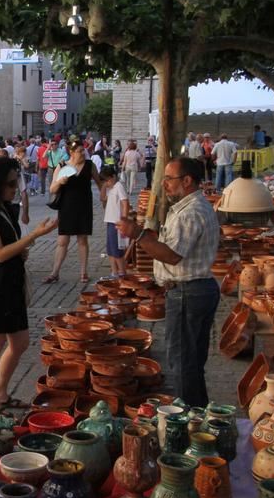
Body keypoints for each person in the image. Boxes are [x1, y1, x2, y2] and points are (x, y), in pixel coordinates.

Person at [117, 157, 220, 407]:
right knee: (189, 361)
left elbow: (172, 255)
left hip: (188, 292)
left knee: (182, 361)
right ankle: (197, 413)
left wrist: (139, 234)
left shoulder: (191, 212)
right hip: (192, 291)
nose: (164, 184)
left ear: (187, 181)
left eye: (169, 179)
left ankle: (189, 418)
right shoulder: (188, 208)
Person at [0, 157, 59, 418]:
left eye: (15, 182)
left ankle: (1, 393)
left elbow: (9, 247)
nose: (13, 188)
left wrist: (22, 250)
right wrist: (34, 236)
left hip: (10, 280)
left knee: (19, 342)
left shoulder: (1, 207)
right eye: (9, 184)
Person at [43, 141, 101, 284]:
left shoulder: (89, 165)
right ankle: (55, 272)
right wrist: (60, 182)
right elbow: (52, 189)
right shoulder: (62, 166)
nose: (83, 153)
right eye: (79, 151)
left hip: (84, 206)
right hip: (67, 207)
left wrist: (105, 198)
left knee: (82, 239)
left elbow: (100, 183)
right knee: (63, 240)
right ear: (71, 152)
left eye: (83, 151)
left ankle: (83, 272)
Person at [100, 165, 129, 275]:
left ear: (113, 177)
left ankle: (122, 272)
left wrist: (124, 220)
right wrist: (104, 185)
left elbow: (125, 203)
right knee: (110, 249)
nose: (107, 183)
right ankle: (114, 271)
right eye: (105, 181)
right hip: (110, 221)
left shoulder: (118, 186)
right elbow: (103, 198)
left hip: (117, 222)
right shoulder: (111, 188)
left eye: (107, 180)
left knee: (117, 249)